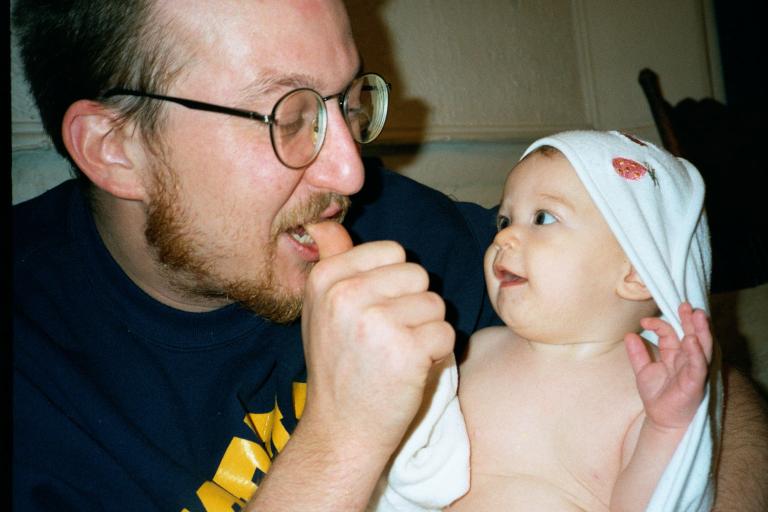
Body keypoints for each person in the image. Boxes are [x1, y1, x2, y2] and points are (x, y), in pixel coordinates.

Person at [10, 2, 767, 511]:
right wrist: (342, 439)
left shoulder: (398, 225)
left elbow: (680, 359)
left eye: (346, 103)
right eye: (289, 117)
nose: (351, 173)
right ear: (116, 148)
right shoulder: (34, 391)